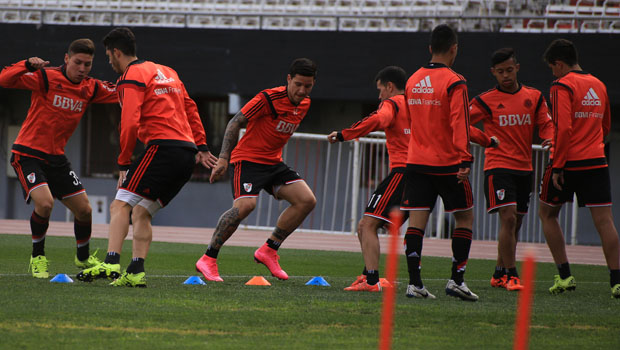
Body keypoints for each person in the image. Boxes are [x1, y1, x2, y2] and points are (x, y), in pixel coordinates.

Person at [76, 27, 217, 287]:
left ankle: (110, 263)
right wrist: (202, 146)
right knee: (142, 211)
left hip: (162, 149)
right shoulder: (169, 72)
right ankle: (136, 271)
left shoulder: (131, 76)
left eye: (109, 57)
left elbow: (129, 123)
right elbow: (191, 108)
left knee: (120, 204)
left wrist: (124, 162)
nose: (109, 62)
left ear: (116, 52)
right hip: (187, 155)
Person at [0, 39, 118, 278]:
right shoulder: (45, 77)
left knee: (85, 210)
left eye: (87, 64)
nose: (83, 68)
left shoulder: (91, 87)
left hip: (57, 159)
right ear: (66, 59)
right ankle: (38, 257)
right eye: (78, 62)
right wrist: (26, 64)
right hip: (28, 153)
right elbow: (4, 79)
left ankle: (83, 258)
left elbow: (123, 93)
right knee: (45, 203)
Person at [195, 58, 318, 282]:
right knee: (246, 206)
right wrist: (224, 157)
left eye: (307, 86)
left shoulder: (306, 104)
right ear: (288, 79)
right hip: (248, 160)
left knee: (307, 200)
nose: (302, 90)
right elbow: (235, 122)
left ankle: (269, 250)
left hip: (274, 163)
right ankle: (208, 258)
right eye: (298, 84)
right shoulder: (268, 98)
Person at [400, 24, 478, 301]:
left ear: (430, 49)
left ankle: (415, 284)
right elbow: (460, 123)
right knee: (465, 217)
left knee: (416, 223)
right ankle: (457, 280)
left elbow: (412, 121)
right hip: (447, 163)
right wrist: (465, 159)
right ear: (454, 49)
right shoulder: (456, 81)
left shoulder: (412, 80)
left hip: (417, 161)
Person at [538, 39, 620, 298]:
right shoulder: (599, 85)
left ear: (559, 64)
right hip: (596, 160)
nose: (553, 73)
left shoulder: (561, 85)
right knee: (605, 221)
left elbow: (563, 128)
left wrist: (559, 165)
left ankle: (565, 276)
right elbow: (605, 128)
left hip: (568, 162)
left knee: (547, 214)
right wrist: (591, 142)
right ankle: (617, 282)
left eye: (553, 68)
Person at [468, 48, 554, 292]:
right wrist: (484, 139)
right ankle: (512, 275)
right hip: (498, 167)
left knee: (514, 225)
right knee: (507, 218)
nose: (505, 75)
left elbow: (546, 124)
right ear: (493, 73)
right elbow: (460, 122)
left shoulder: (534, 97)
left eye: (509, 70)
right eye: (500, 72)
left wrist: (550, 138)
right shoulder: (485, 100)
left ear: (517, 67)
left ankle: (498, 273)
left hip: (524, 169)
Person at [326, 66, 417, 294]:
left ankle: (372, 281)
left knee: (368, 224)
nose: (379, 97)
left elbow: (379, 119)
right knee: (366, 226)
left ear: (389, 86)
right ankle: (370, 275)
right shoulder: (418, 105)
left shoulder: (392, 103)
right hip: (423, 174)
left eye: (380, 90)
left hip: (402, 173)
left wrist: (343, 134)